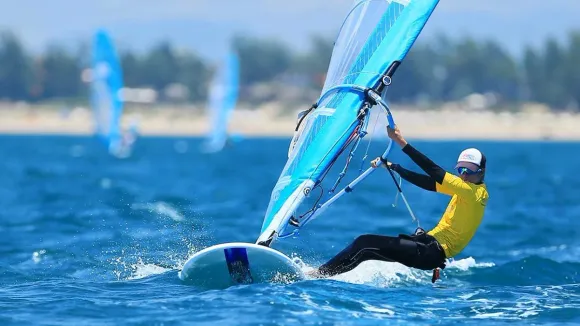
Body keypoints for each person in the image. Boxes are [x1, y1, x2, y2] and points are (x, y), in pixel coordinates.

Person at [308, 125, 489, 282]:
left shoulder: (472, 192)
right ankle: (323, 276)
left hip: (431, 253)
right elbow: (429, 183)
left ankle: (317, 275)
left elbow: (435, 172)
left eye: (470, 170)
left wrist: (401, 142)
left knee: (364, 242)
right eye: (460, 169)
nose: (464, 174)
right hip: (428, 247)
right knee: (366, 251)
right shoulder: (465, 189)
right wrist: (395, 168)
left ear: (481, 172)